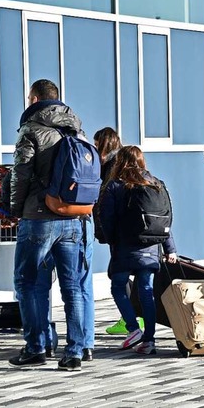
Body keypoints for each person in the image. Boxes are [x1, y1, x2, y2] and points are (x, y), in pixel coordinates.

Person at [9, 79, 93, 371]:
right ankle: (76, 351)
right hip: (72, 217)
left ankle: (36, 347)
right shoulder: (77, 129)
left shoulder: (31, 129)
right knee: (72, 286)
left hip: (39, 218)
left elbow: (21, 173)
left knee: (28, 283)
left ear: (34, 98)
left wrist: (15, 209)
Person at [99, 145, 178, 355]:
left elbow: (106, 217)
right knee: (146, 292)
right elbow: (164, 220)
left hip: (125, 245)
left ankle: (133, 328)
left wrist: (110, 240)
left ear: (120, 162)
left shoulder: (115, 185)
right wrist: (170, 249)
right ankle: (149, 341)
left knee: (118, 287)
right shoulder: (156, 183)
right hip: (152, 247)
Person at [92, 128, 145, 336]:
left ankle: (130, 318)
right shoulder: (125, 162)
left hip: (121, 232)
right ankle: (134, 316)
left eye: (96, 144)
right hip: (132, 231)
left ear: (104, 144)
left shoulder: (112, 167)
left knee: (117, 274)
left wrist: (105, 229)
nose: (95, 148)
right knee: (135, 274)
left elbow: (106, 200)